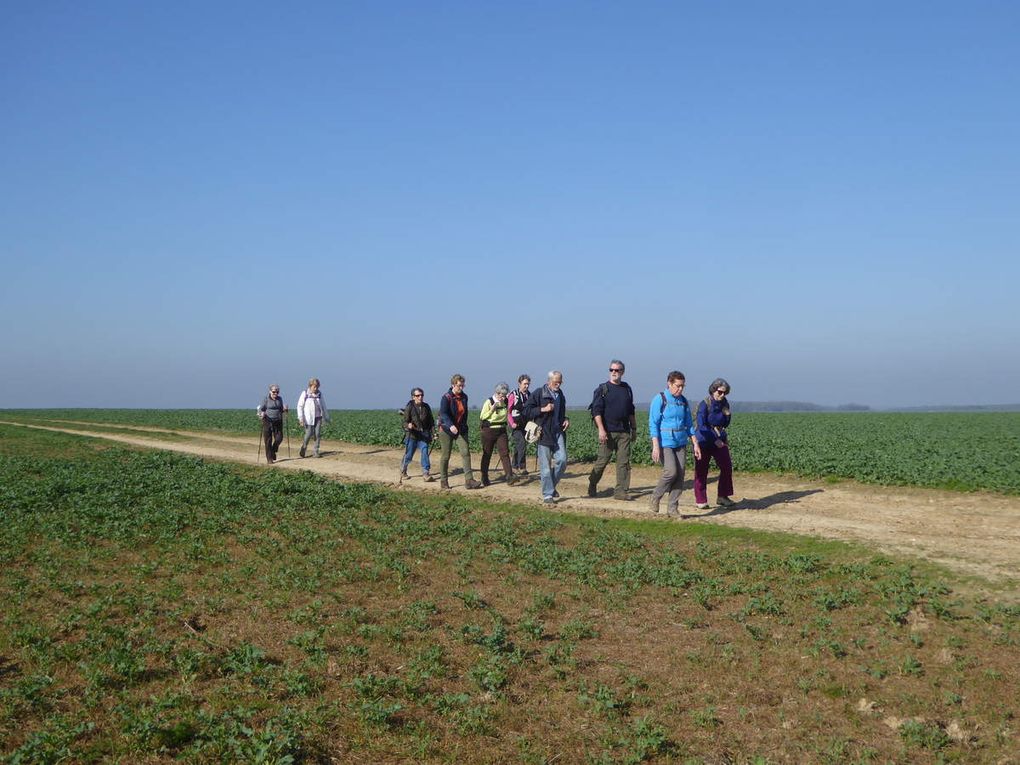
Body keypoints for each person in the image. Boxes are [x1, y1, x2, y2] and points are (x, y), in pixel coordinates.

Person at [648, 371, 702, 517]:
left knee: (680, 475)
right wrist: (655, 445)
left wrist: (695, 443)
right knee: (671, 472)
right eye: (678, 386)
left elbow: (689, 424)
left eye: (683, 386)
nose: (680, 389)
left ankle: (672, 508)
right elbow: (653, 423)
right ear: (669, 384)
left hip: (680, 441)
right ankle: (655, 496)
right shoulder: (660, 399)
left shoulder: (683, 401)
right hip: (665, 442)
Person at [587, 359, 637, 500]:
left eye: (617, 370)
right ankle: (592, 482)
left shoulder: (627, 388)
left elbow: (631, 410)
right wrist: (601, 430)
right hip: (608, 432)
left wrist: (634, 428)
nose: (614, 372)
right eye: (612, 370)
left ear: (623, 372)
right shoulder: (602, 389)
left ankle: (621, 491)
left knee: (623, 462)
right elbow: (596, 411)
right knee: (602, 461)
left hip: (624, 432)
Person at [523, 370, 570, 504]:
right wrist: (543, 409)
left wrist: (566, 419)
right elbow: (526, 411)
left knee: (562, 460)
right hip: (543, 433)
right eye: (556, 382)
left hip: (558, 432)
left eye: (560, 382)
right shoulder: (538, 393)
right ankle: (548, 495)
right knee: (545, 467)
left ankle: (550, 486)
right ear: (549, 381)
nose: (559, 384)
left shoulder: (560, 394)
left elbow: (561, 413)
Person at [694, 378, 736, 510]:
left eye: (725, 393)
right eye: (720, 392)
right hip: (704, 439)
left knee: (727, 466)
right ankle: (701, 500)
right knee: (701, 470)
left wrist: (728, 416)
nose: (722, 395)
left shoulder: (725, 403)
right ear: (713, 390)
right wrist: (714, 440)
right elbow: (701, 425)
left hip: (720, 438)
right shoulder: (704, 404)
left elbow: (726, 424)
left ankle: (722, 496)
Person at [438, 374, 481, 490]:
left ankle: (469, 480)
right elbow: (443, 414)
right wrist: (450, 425)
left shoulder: (464, 397)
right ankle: (443, 480)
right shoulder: (446, 397)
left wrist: (463, 427)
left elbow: (464, 414)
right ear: (453, 385)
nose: (461, 388)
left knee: (465, 452)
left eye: (463, 385)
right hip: (446, 429)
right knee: (446, 455)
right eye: (459, 385)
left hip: (460, 430)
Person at [479, 382, 517, 486]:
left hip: (501, 430)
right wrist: (492, 409)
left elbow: (508, 413)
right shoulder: (489, 402)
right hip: (489, 430)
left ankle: (509, 476)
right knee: (487, 454)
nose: (503, 397)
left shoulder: (505, 402)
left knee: (505, 453)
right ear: (497, 393)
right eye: (501, 395)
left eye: (504, 395)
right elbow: (482, 417)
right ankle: (484, 477)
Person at [400, 387, 435, 482]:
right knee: (409, 455)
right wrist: (408, 425)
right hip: (412, 435)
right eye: (418, 395)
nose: (420, 397)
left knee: (424, 452)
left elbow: (431, 422)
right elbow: (404, 423)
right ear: (413, 397)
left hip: (423, 435)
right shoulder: (409, 407)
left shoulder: (426, 407)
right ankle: (403, 470)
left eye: (422, 395)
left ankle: (426, 473)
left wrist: (434, 433)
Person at [297, 377, 330, 458]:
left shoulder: (319, 394)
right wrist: (301, 418)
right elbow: (300, 406)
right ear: (310, 386)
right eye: (314, 386)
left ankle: (316, 451)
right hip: (308, 418)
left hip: (318, 417)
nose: (316, 388)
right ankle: (304, 448)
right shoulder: (305, 393)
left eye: (317, 386)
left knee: (317, 434)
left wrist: (326, 417)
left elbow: (323, 405)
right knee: (308, 434)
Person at [507, 374, 532, 476]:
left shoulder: (529, 395)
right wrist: (512, 423)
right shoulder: (513, 395)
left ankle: (514, 466)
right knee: (521, 444)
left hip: (525, 424)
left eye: (528, 384)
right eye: (525, 384)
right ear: (519, 383)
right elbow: (508, 411)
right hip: (515, 425)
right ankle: (522, 467)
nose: (526, 386)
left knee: (518, 446)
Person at [257, 384, 288, 464]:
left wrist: (285, 409)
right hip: (267, 420)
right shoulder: (266, 399)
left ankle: (273, 450)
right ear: (270, 391)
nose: (276, 394)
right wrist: (261, 414)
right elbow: (261, 409)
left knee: (279, 438)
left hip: (278, 420)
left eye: (277, 392)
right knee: (268, 440)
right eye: (274, 392)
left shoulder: (280, 399)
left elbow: (281, 409)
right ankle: (269, 458)